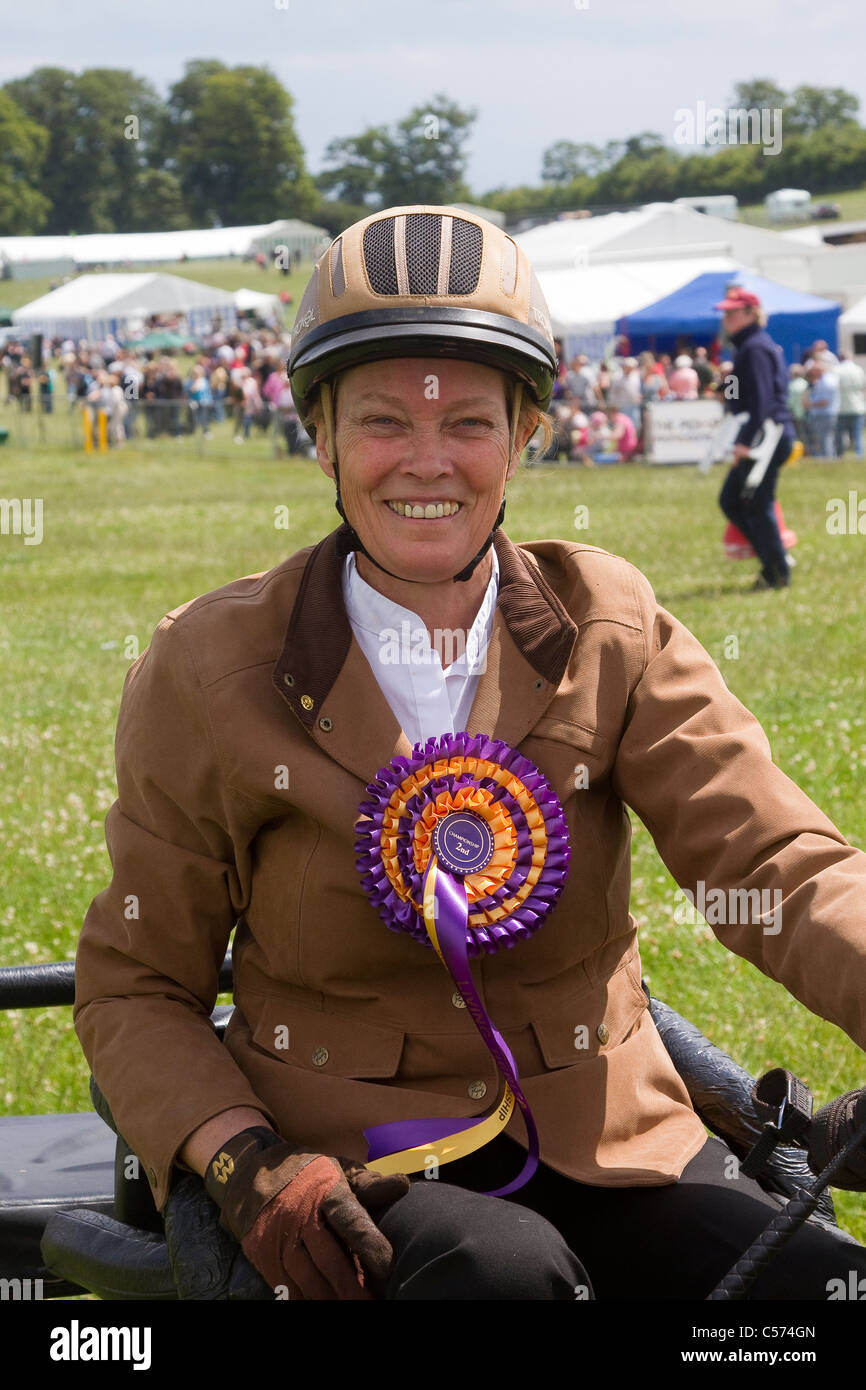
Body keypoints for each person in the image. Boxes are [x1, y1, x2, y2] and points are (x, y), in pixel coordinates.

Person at [74, 205, 866, 1302]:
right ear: (320, 434)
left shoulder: (611, 622)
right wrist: (244, 1162)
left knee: (821, 1288)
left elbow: (776, 866)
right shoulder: (208, 666)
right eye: (383, 421)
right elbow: (136, 982)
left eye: (471, 424)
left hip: (613, 1136)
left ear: (527, 429)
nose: (427, 464)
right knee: (500, 1279)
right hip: (357, 1161)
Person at [716, 288, 795, 591]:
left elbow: (762, 399)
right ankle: (774, 560)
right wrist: (726, 386)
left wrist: (745, 442)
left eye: (733, 312)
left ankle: (777, 569)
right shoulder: (749, 346)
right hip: (766, 435)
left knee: (753, 503)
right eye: (726, 313)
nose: (728, 318)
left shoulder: (754, 347)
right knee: (737, 501)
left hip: (767, 437)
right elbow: (745, 395)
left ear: (751, 313)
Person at [804, 357, 840, 460]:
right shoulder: (821, 380)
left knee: (826, 439)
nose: (812, 373)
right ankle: (826, 458)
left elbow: (825, 401)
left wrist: (810, 404)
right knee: (823, 439)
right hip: (822, 414)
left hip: (825, 414)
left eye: (814, 370)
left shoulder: (827, 381)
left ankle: (828, 460)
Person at [835, 352, 866, 459]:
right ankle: (859, 455)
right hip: (857, 407)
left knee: (839, 435)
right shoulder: (858, 369)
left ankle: (840, 455)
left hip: (841, 408)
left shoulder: (836, 370)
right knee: (857, 435)